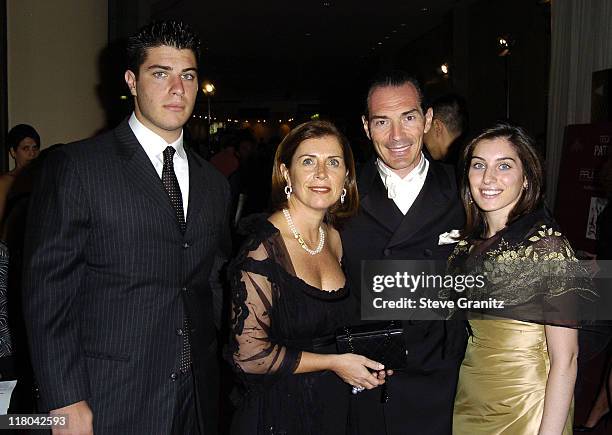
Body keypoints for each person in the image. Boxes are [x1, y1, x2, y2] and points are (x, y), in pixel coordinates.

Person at [23, 20, 230, 434]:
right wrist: (65, 398)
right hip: (108, 398)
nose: (178, 88)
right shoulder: (78, 167)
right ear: (132, 82)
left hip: (197, 399)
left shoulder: (215, 184)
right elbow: (48, 292)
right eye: (161, 73)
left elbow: (210, 283)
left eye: (188, 75)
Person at [228, 120, 388, 435]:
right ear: (286, 173)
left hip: (334, 407)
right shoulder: (262, 248)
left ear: (346, 177)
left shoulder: (335, 238)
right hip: (280, 413)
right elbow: (247, 356)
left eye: (333, 162)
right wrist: (333, 362)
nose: (321, 173)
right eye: (308, 161)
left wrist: (374, 357)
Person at [448, 122, 596, 434]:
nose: (489, 178)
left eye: (504, 166)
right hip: (472, 397)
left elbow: (566, 358)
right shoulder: (466, 246)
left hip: (526, 404)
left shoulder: (547, 247)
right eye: (479, 165)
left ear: (526, 178)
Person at [341, 71, 468, 435]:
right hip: (370, 381)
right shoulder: (340, 194)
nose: (396, 136)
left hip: (445, 380)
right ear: (366, 127)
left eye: (408, 118)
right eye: (382, 122)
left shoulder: (466, 189)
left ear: (428, 120)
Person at [0, 124, 40, 223]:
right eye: (26, 148)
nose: (32, 153)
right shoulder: (6, 181)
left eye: (35, 148)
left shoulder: (42, 178)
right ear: (13, 152)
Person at [423, 93, 468, 164]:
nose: (422, 138)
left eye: (426, 126)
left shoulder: (452, 170)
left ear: (437, 127)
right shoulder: (470, 158)